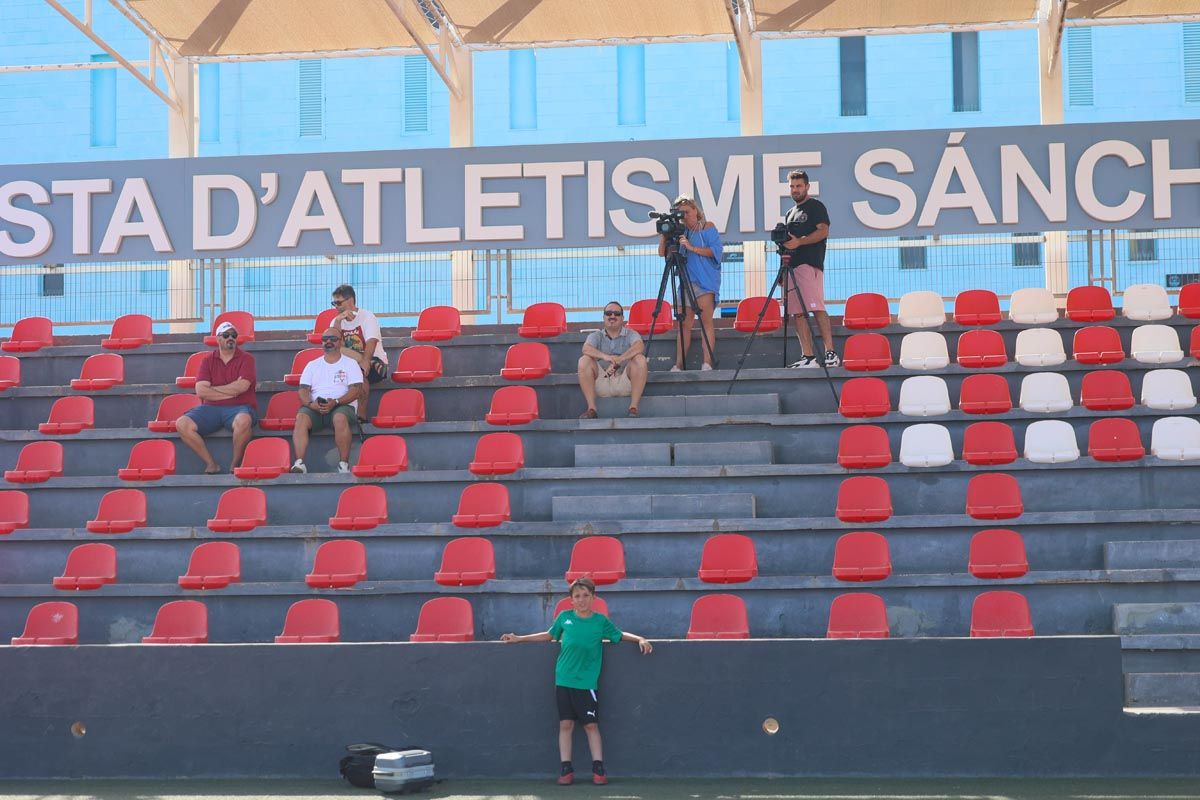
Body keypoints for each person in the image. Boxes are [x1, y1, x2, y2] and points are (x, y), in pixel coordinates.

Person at [501, 578, 653, 786]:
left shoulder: (600, 622)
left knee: (591, 725)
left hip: (586, 683)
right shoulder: (564, 618)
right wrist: (518, 638)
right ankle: (566, 769)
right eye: (577, 596)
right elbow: (548, 635)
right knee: (566, 724)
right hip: (563, 679)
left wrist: (640, 639)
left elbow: (619, 635)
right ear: (571, 600)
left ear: (593, 597)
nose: (581, 600)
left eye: (585, 596)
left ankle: (598, 768)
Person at [176, 320, 257, 475]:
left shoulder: (247, 359)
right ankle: (211, 464)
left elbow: (242, 387)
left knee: (244, 420)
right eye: (226, 335)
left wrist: (213, 390)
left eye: (233, 335)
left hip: (240, 407)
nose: (230, 338)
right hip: (211, 408)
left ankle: (235, 464)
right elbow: (201, 391)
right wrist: (230, 391)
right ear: (218, 339)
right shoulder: (207, 360)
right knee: (182, 423)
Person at [780, 170, 839, 368]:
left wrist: (800, 242)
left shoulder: (815, 206)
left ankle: (830, 353)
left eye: (798, 186)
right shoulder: (789, 213)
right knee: (798, 313)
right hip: (792, 268)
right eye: (792, 186)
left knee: (816, 308)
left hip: (809, 265)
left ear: (807, 186)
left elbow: (823, 231)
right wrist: (782, 269)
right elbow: (788, 243)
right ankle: (809, 357)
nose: (795, 189)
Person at [658, 195, 722, 372]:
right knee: (683, 325)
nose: (684, 216)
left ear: (695, 210)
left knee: (705, 321)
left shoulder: (707, 227)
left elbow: (716, 252)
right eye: (680, 214)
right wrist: (664, 236)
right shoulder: (679, 232)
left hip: (705, 281)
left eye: (686, 212)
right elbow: (662, 253)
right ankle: (679, 364)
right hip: (686, 282)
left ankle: (707, 363)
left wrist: (692, 248)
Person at [290, 328, 363, 474]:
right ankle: (299, 463)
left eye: (333, 339)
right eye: (325, 339)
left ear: (340, 342)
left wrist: (335, 402)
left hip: (342, 405)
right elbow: (303, 390)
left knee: (340, 417)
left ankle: (343, 465)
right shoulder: (312, 365)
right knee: (301, 417)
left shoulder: (350, 364)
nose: (328, 342)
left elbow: (356, 391)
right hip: (315, 407)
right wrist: (311, 405)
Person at [577, 301, 647, 418]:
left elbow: (639, 346)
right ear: (604, 317)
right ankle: (592, 409)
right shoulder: (596, 335)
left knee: (640, 359)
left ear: (622, 318)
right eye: (609, 313)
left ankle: (633, 408)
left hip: (625, 381)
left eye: (616, 314)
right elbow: (586, 349)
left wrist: (620, 359)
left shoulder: (631, 334)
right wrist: (606, 357)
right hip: (603, 381)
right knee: (584, 361)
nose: (612, 316)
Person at [331, 284, 388, 422]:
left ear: (350, 301)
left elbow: (371, 342)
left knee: (358, 372)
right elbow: (334, 346)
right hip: (350, 362)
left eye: (339, 303)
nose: (336, 307)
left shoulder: (367, 316)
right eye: (334, 303)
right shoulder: (336, 321)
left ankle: (361, 416)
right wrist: (338, 322)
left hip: (374, 362)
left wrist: (364, 360)